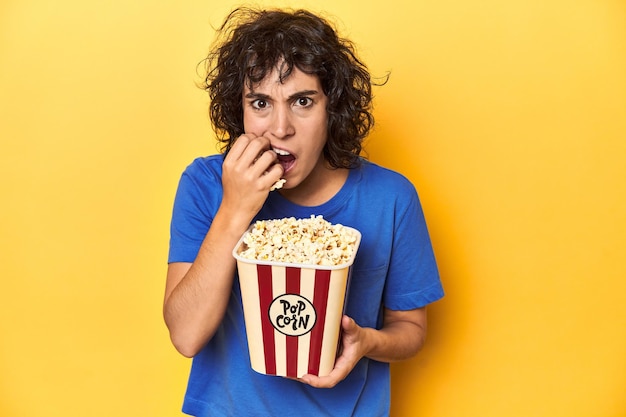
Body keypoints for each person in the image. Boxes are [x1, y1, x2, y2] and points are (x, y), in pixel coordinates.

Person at [164, 7, 444, 417]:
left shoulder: (391, 198)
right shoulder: (206, 184)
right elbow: (186, 336)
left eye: (302, 101)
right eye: (260, 102)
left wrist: (366, 342)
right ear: (239, 110)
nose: (280, 128)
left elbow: (411, 329)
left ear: (332, 108)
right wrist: (235, 208)